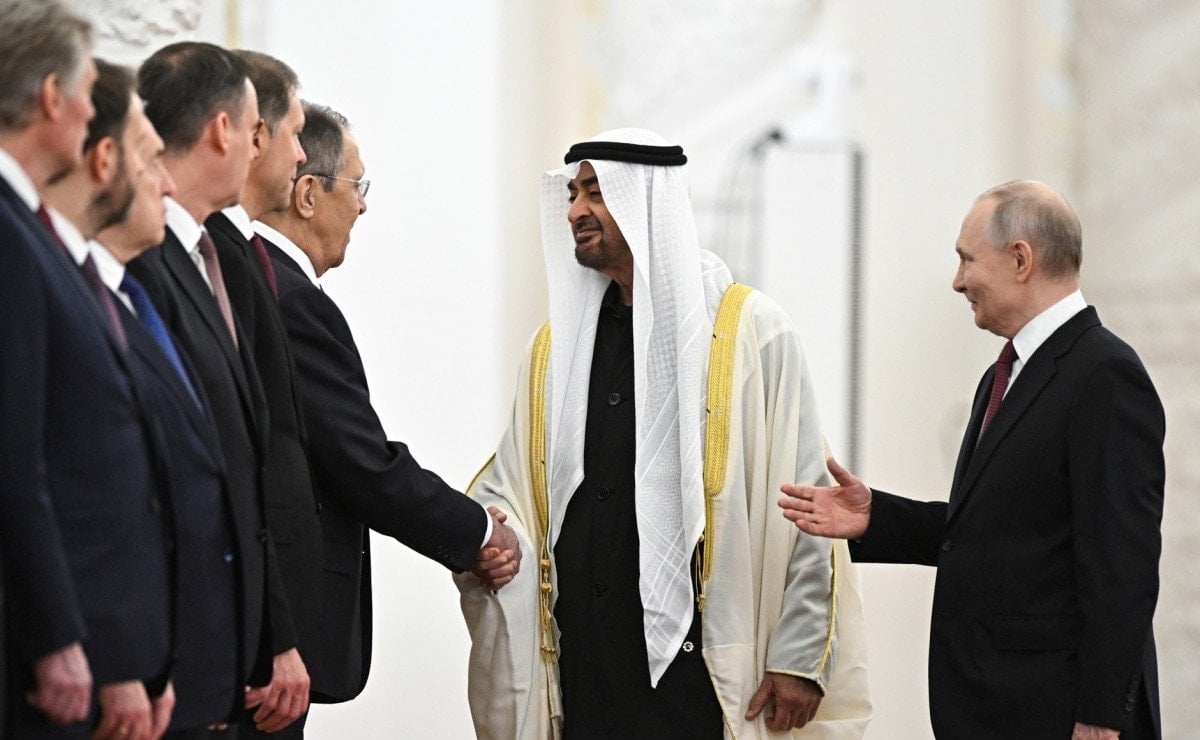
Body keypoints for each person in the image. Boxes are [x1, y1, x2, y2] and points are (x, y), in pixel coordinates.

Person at [456, 128, 870, 739]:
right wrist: (490, 530)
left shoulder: (752, 333)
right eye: (572, 194)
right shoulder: (555, 348)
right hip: (585, 664)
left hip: (698, 679)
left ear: (645, 201)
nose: (575, 211)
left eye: (596, 192)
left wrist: (800, 655)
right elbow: (518, 481)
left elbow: (807, 499)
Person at [779, 181, 1166, 739]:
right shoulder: (1005, 374)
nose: (958, 280)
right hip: (999, 709)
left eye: (966, 259)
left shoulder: (1104, 373)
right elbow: (1000, 532)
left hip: (1061, 715)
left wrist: (1102, 718)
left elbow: (1122, 564)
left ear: (1020, 259)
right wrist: (875, 517)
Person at [253, 102, 521, 705]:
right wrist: (478, 531)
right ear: (308, 195)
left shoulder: (257, 276)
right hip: (277, 624)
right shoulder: (290, 299)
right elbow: (360, 462)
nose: (363, 205)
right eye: (357, 186)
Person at [0, 3, 173, 737]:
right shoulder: (11, 235)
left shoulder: (32, 233)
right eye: (84, 89)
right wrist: (59, 637)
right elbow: (20, 458)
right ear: (51, 96)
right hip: (44, 655)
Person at [126, 41, 307, 734]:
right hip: (174, 652)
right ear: (224, 130)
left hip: (224, 649)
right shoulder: (145, 263)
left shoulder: (206, 255)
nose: (274, 150)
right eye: (259, 128)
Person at [81, 60, 243, 738]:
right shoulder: (82, 295)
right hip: (113, 663)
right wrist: (122, 659)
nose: (167, 182)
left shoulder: (126, 295)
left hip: (178, 664)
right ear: (102, 162)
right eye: (151, 161)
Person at [202, 49, 320, 738]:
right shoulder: (215, 255)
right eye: (295, 133)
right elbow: (244, 458)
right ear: (252, 133)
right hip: (245, 640)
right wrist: (271, 634)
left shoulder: (238, 254)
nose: (302, 155)